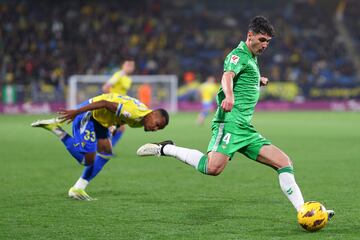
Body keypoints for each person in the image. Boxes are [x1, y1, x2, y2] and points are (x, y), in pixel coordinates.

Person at [136, 16, 334, 220]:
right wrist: (229, 96)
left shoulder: (251, 58)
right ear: (250, 36)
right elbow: (228, 75)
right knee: (212, 168)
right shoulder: (238, 54)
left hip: (244, 128)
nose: (265, 45)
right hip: (229, 123)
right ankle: (166, 148)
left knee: (284, 162)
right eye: (262, 39)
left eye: (268, 41)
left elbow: (242, 77)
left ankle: (305, 211)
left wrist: (258, 80)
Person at [31, 93, 169, 200]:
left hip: (102, 122)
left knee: (106, 152)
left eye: (159, 129)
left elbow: (123, 118)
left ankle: (78, 189)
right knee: (87, 160)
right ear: (153, 113)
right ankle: (56, 128)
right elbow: (104, 103)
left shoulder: (141, 119)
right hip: (90, 114)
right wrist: (76, 112)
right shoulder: (135, 112)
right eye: (157, 124)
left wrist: (114, 127)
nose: (155, 129)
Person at [102, 59, 135, 148]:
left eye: (132, 65)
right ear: (123, 66)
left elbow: (122, 92)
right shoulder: (119, 75)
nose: (130, 67)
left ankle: (108, 147)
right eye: (128, 65)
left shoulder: (128, 79)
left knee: (120, 128)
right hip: (113, 105)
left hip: (120, 106)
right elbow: (105, 87)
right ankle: (105, 147)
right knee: (114, 127)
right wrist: (110, 101)